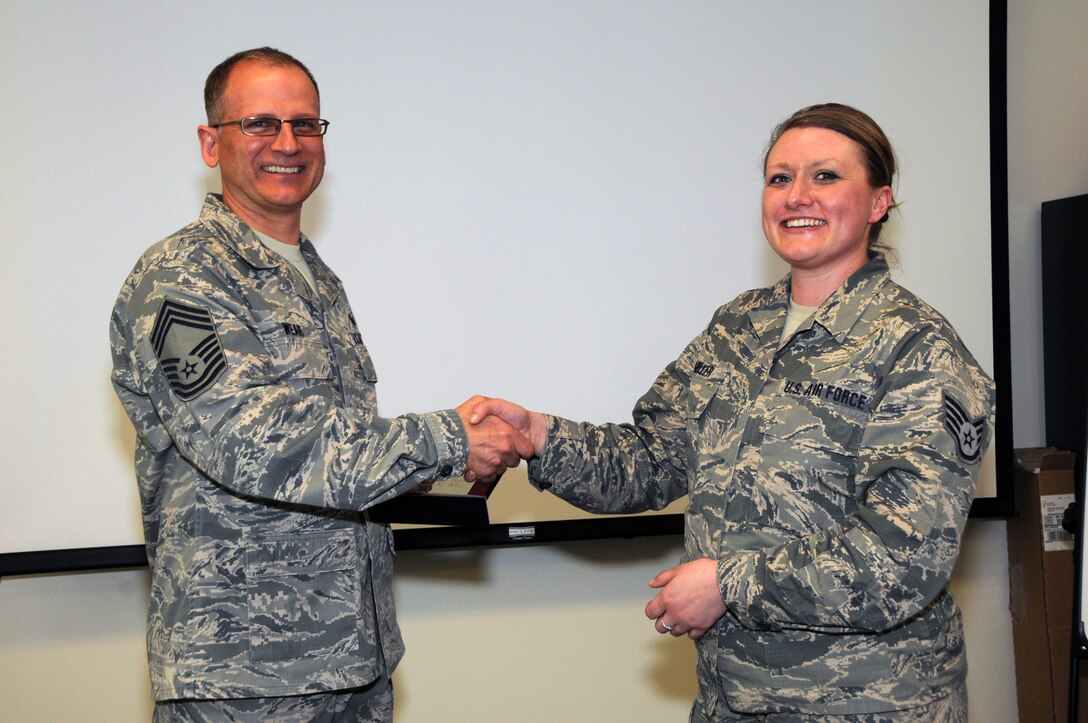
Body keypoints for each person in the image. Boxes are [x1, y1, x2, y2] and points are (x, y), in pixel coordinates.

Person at [467, 103, 995, 722]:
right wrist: (541, 436)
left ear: (879, 202)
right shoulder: (740, 325)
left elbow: (903, 561)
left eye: (825, 177)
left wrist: (727, 584)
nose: (797, 196)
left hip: (867, 706)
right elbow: (654, 457)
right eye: (779, 178)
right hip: (733, 700)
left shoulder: (919, 349)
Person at [110, 47, 531, 721]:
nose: (287, 143)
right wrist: (447, 436)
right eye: (260, 124)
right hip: (245, 684)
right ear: (209, 141)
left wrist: (432, 472)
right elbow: (248, 441)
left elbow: (333, 453)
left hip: (354, 667)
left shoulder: (316, 279)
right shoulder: (178, 281)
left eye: (306, 125)